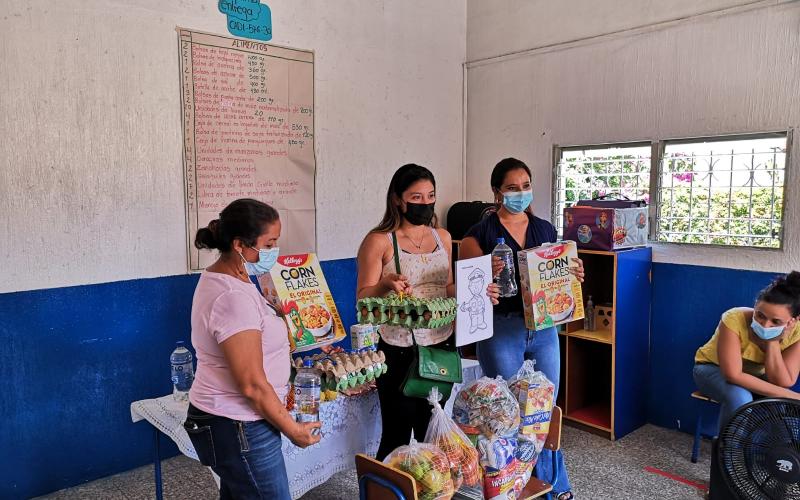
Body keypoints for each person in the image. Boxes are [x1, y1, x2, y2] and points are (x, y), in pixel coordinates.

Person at [459, 157, 583, 500]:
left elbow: (556, 274)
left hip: (544, 328)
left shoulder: (545, 229)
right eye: (512, 188)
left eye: (526, 186)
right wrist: (486, 279)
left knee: (545, 410)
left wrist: (571, 277)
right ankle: (511, 488)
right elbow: (470, 291)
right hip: (502, 328)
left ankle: (554, 485)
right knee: (507, 414)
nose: (521, 193)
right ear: (497, 191)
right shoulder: (478, 235)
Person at [356, 164, 499, 460]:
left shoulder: (442, 237)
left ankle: (429, 490)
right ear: (398, 199)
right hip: (397, 349)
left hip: (441, 342)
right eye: (416, 197)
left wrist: (479, 288)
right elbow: (362, 298)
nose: (425, 203)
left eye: (430, 196)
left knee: (431, 428)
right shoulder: (380, 240)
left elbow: (446, 287)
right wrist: (385, 283)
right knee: (396, 433)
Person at [184, 198, 321, 500]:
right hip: (238, 425)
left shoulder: (237, 278)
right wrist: (293, 430)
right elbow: (252, 384)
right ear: (239, 245)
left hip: (236, 422)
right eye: (269, 244)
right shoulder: (232, 297)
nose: (274, 251)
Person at [694, 271, 800, 430]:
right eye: (760, 315)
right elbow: (733, 375)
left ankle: (779, 454)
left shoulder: (796, 333)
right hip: (711, 369)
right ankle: (728, 452)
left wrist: (773, 341)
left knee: (782, 404)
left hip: (755, 376)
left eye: (776, 321)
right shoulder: (734, 318)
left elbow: (783, 381)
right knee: (740, 397)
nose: (765, 325)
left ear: (794, 321)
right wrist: (792, 396)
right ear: (755, 305)